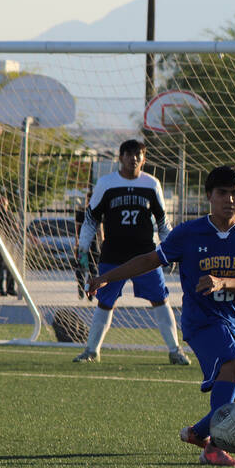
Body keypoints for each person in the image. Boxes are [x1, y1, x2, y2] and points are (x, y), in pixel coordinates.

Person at [86, 164, 235, 467]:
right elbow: (149, 259)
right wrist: (108, 277)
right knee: (233, 364)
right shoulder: (189, 232)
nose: (229, 199)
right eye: (222, 193)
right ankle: (206, 443)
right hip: (202, 321)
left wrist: (222, 282)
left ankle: (201, 438)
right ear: (210, 196)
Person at [74, 140, 189, 365]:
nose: (133, 158)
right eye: (128, 154)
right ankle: (92, 350)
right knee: (105, 301)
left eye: (138, 154)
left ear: (144, 159)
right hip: (113, 253)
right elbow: (91, 218)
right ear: (120, 157)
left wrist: (170, 248)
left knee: (160, 299)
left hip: (145, 255)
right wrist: (83, 246)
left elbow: (163, 221)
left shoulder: (152, 184)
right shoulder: (106, 183)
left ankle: (175, 350)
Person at [0, 180, 17, 298]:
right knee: (0, 265)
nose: (4, 199)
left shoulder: (10, 214)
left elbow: (16, 227)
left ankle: (10, 288)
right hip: (1, 242)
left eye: (5, 199)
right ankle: (0, 290)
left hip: (10, 242)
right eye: (2, 199)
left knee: (11, 266)